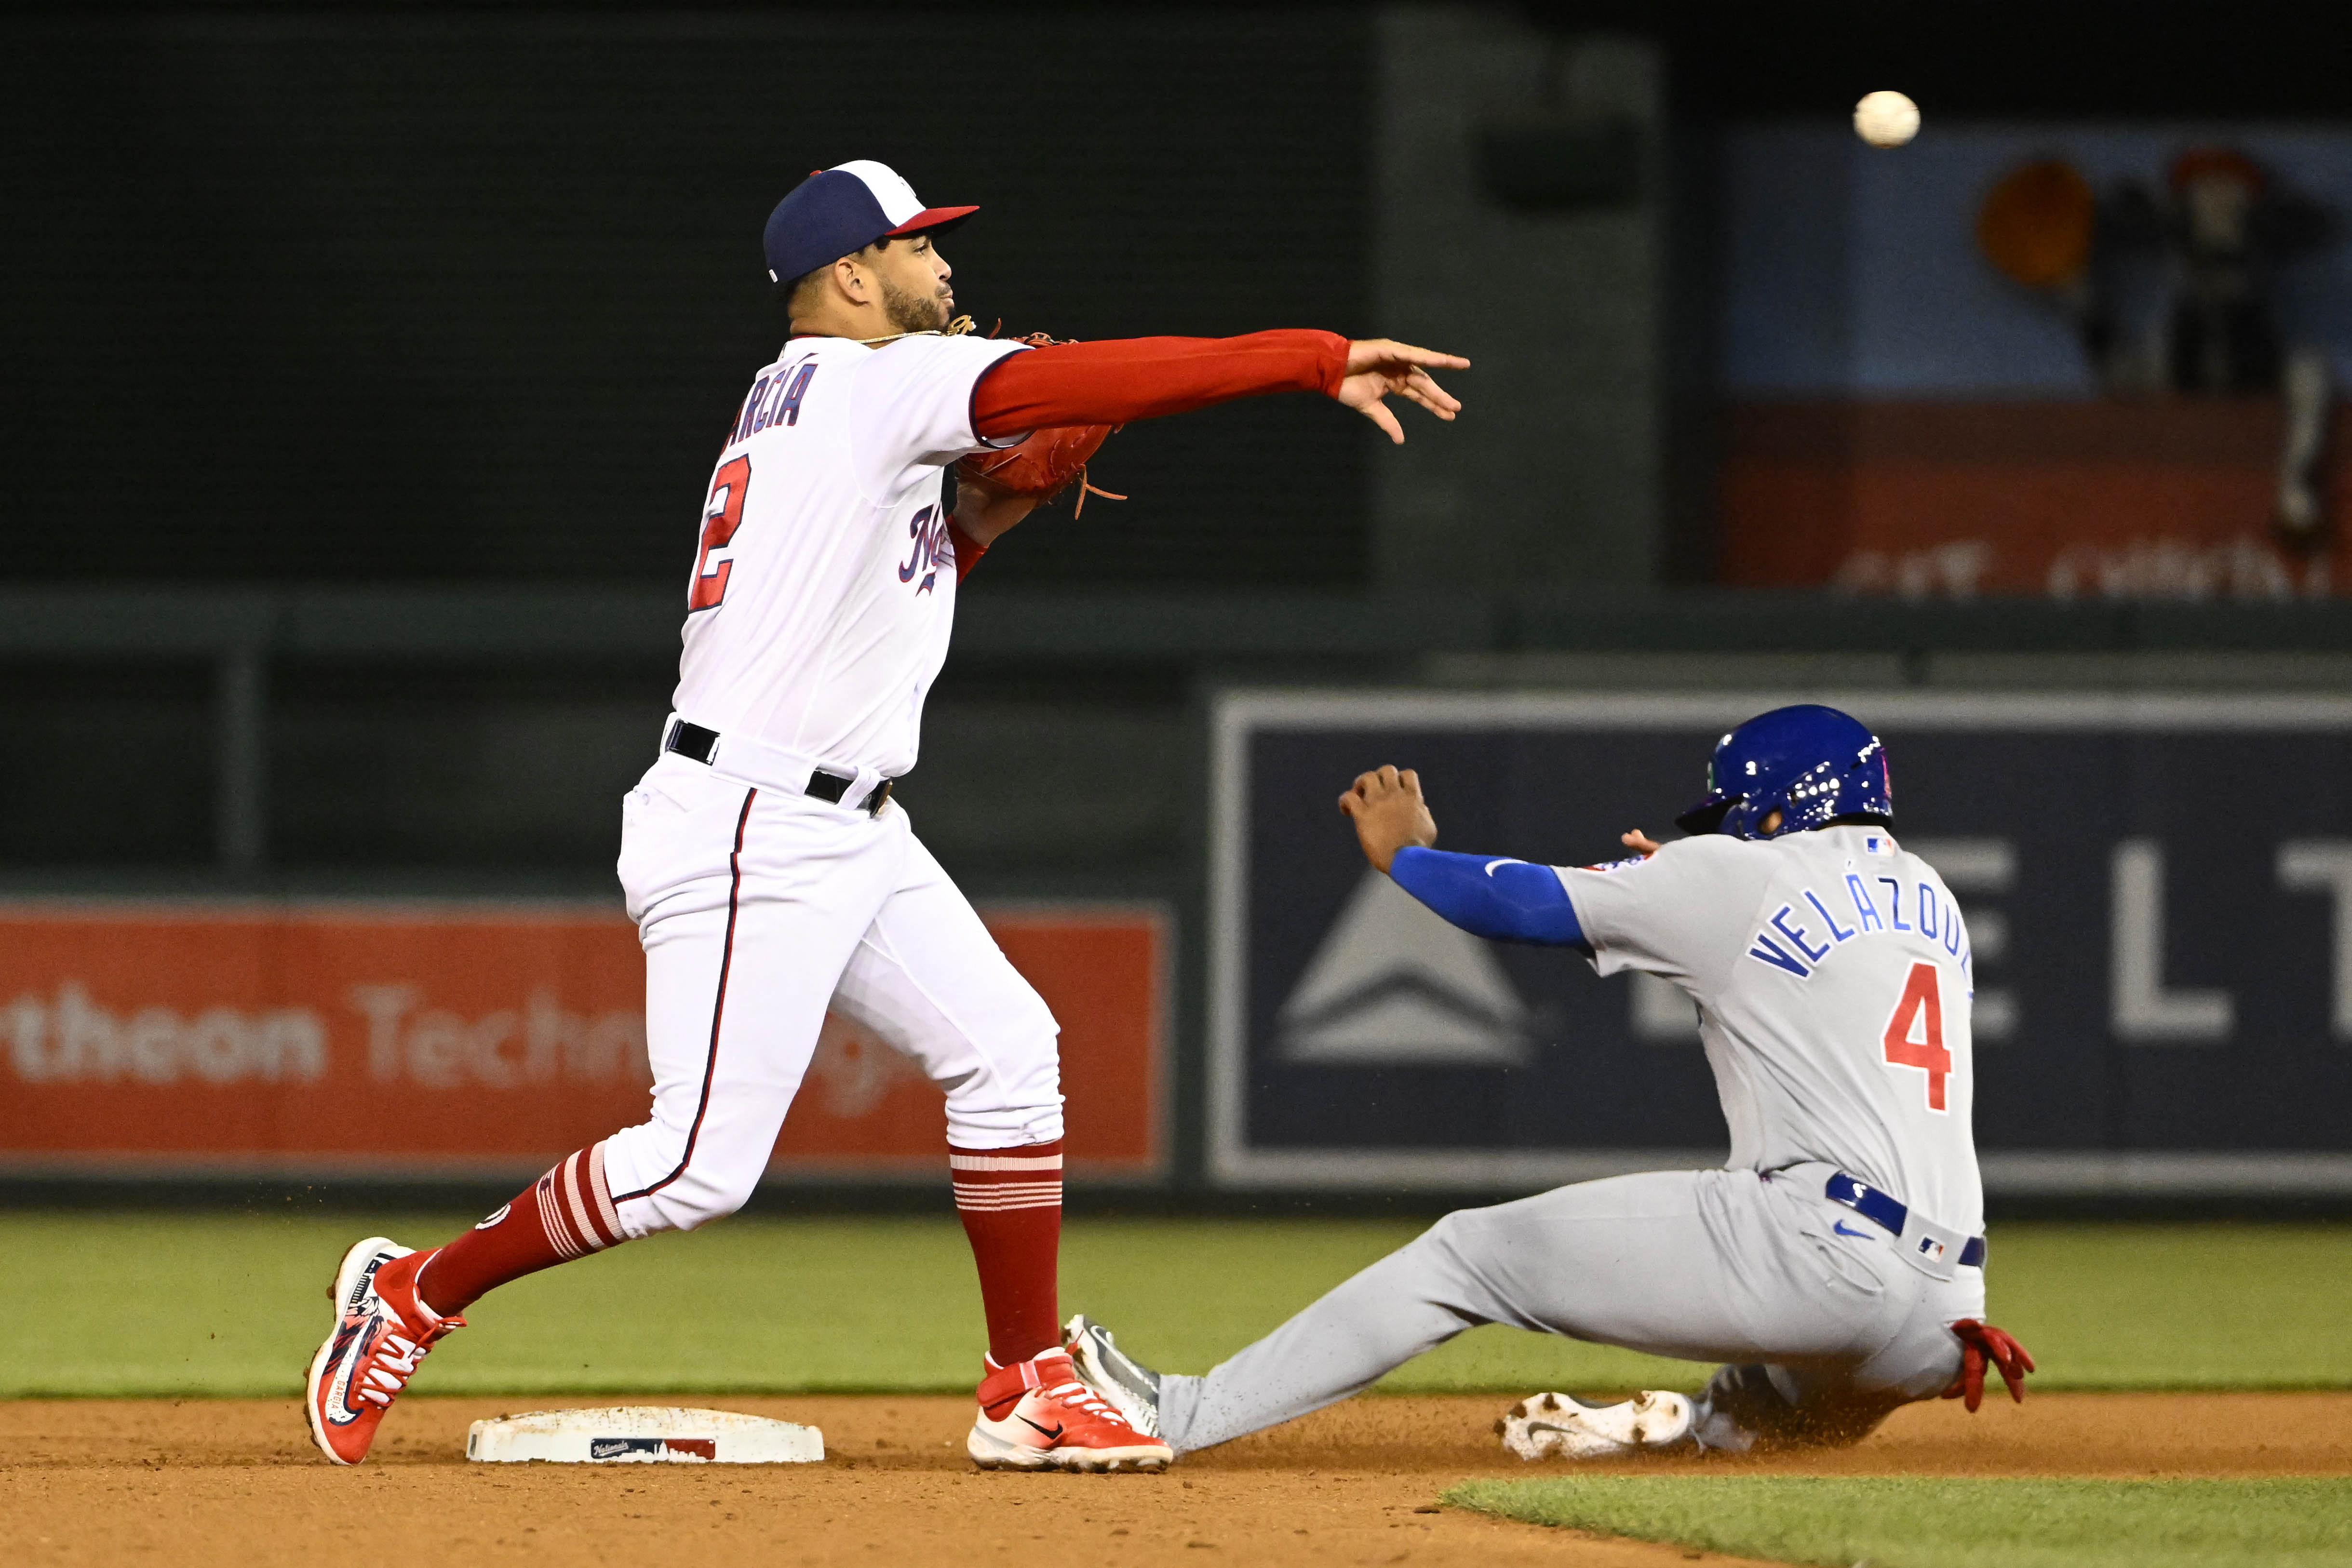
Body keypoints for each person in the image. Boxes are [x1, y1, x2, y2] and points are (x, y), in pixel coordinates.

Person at [304, 159, 1468, 1472]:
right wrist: (1312, 359)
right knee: (696, 1165)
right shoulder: (881, 379)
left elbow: (918, 562)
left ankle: (1024, 1381)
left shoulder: (801, 400)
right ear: (852, 275)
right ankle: (411, 1293)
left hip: (846, 821)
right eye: (919, 246)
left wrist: (999, 504)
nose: (945, 267)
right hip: (752, 817)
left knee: (1013, 1049)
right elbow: (1108, 379)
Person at [1067, 705, 2033, 1460]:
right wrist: (1682, 890)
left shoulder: (1737, 877)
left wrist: (1407, 851)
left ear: (1775, 808)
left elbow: (1516, 903)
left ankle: (1173, 1415)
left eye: (1738, 816)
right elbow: (1799, 967)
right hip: (1944, 1318)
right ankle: (1679, 1428)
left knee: (1464, 1256)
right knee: (1758, 1415)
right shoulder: (1928, 897)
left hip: (1820, 1258)